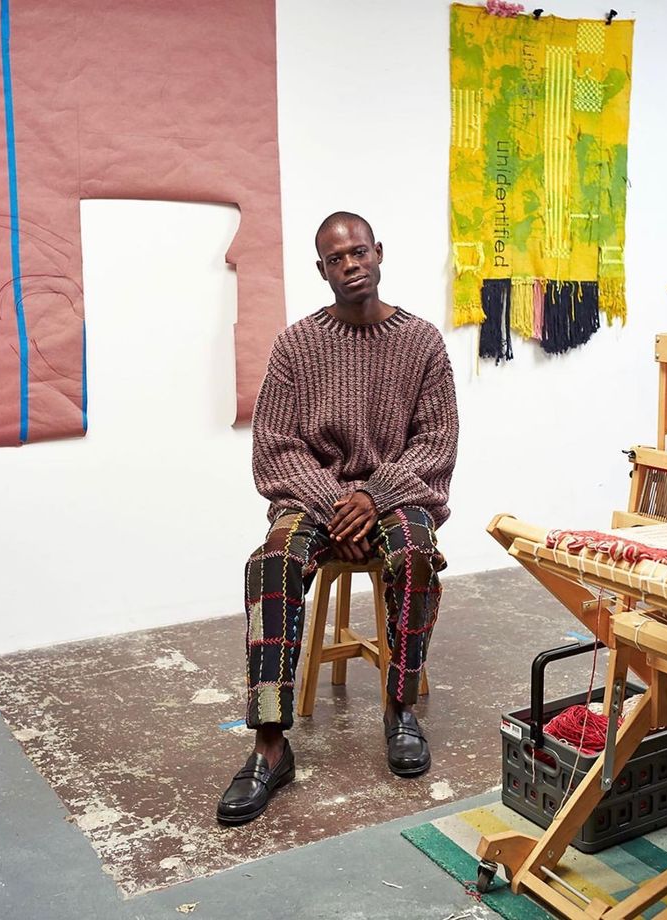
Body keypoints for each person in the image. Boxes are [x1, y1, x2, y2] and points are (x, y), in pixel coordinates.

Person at [217, 211, 459, 825]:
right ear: (320, 270)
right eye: (335, 259)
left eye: (358, 253)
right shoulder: (296, 345)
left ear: (379, 252)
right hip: (314, 500)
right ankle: (270, 745)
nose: (350, 265)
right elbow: (274, 446)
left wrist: (373, 498)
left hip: (394, 496)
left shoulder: (423, 342)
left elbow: (436, 442)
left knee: (416, 554)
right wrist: (336, 506)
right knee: (271, 560)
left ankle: (399, 709)